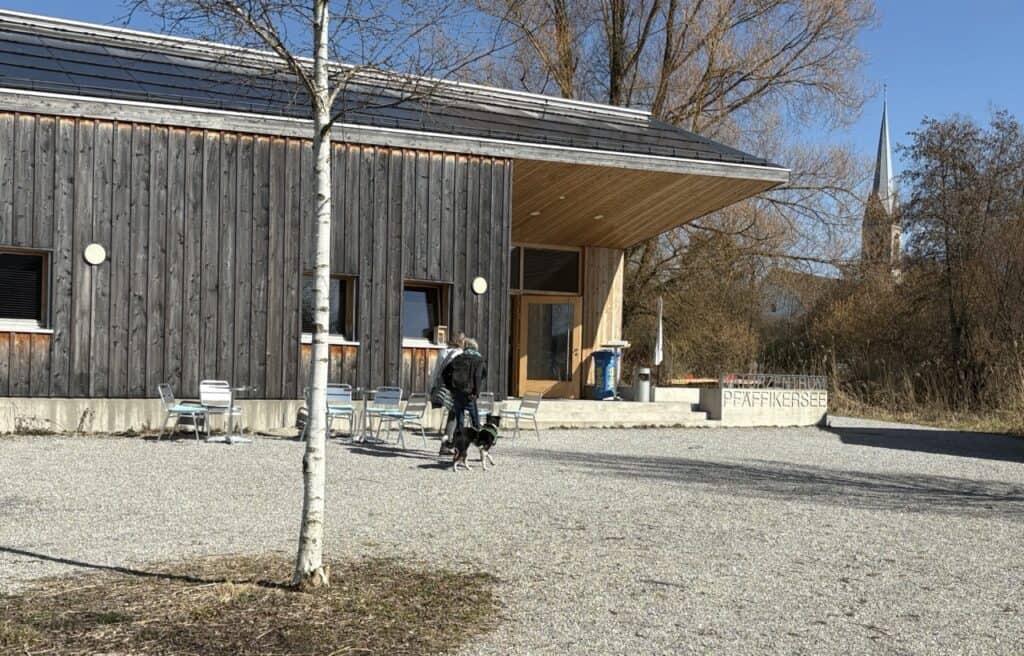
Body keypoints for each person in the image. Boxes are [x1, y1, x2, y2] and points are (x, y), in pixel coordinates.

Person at [442, 337, 487, 448]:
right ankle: (481, 446)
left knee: (460, 421)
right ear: (475, 348)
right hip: (470, 394)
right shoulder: (478, 359)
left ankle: (457, 446)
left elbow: (444, 373)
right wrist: (476, 392)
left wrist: (451, 388)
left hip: (457, 393)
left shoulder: (458, 358)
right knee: (475, 421)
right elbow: (480, 375)